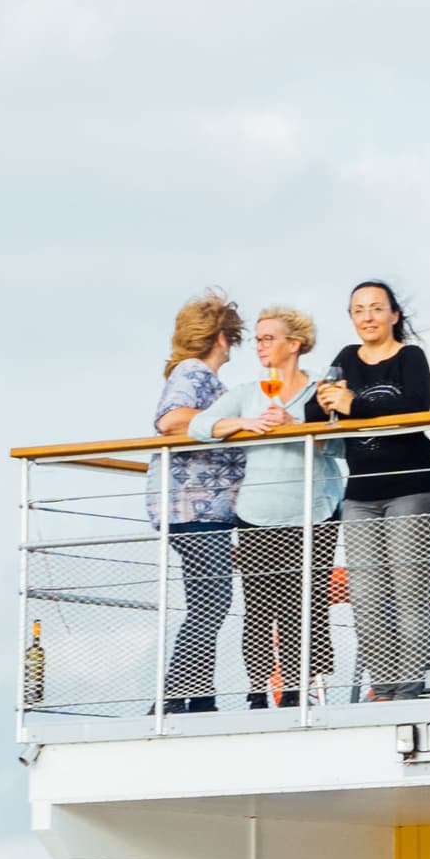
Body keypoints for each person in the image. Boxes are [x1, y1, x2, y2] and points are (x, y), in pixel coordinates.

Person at [305, 280, 430, 700]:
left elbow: (417, 407)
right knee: (366, 595)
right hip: (361, 493)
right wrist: (330, 401)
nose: (367, 317)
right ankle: (382, 687)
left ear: (394, 316)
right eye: (359, 310)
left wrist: (354, 405)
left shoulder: (410, 357)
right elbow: (314, 411)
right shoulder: (346, 359)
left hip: (413, 487)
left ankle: (411, 686)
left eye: (376, 308)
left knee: (409, 589)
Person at [227, 306, 342, 707]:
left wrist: (297, 427)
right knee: (258, 607)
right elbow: (200, 426)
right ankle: (258, 693)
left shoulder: (320, 390)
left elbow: (342, 445)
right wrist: (245, 424)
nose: (259, 346)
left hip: (315, 512)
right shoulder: (246, 393)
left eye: (268, 338)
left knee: (305, 605)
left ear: (293, 345)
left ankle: (297, 691)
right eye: (258, 339)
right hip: (257, 513)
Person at [149, 290, 250, 714]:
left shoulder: (201, 377)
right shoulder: (193, 373)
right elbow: (171, 421)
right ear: (221, 337)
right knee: (211, 603)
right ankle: (174, 699)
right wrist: (234, 423)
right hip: (195, 509)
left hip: (202, 509)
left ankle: (199, 696)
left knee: (207, 602)